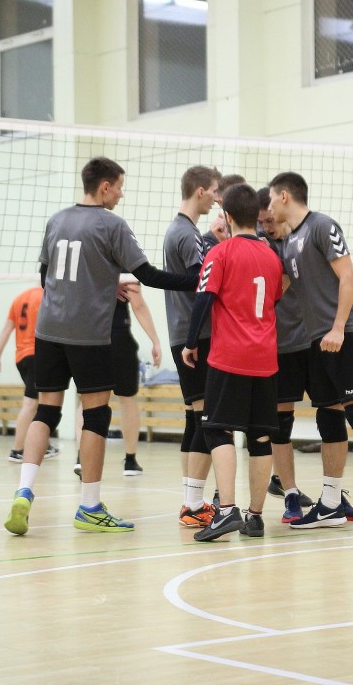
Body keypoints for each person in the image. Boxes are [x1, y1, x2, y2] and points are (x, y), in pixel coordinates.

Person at [3, 156, 195, 536]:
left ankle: (23, 490)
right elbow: (147, 275)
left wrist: (104, 284)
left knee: (46, 410)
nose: (121, 194)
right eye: (120, 187)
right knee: (95, 415)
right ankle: (89, 507)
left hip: (48, 331)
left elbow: (46, 277)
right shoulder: (111, 224)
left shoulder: (57, 220)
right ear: (105, 186)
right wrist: (198, 280)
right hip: (88, 334)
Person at [268, 172, 353, 536]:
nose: (267, 209)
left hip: (347, 334)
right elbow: (279, 288)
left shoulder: (322, 226)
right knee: (328, 418)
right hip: (318, 341)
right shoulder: (290, 242)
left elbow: (348, 277)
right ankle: (330, 503)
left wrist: (338, 327)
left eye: (270, 199)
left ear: (284, 197)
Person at [182, 183, 283, 541]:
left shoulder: (221, 252)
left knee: (215, 429)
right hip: (265, 357)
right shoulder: (272, 257)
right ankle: (255, 518)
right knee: (260, 436)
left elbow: (203, 299)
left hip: (230, 356)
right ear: (256, 215)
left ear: (226, 216)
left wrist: (190, 343)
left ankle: (226, 511)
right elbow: (275, 298)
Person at [255, 187, 349, 524]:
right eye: (261, 222)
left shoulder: (305, 239)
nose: (267, 227)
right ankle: (290, 492)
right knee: (281, 425)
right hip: (280, 348)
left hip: (314, 341)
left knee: (332, 415)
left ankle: (333, 495)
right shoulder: (262, 249)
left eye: (270, 220)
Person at [163, 165, 221, 529]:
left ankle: (190, 499)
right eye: (214, 191)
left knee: (195, 417)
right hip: (195, 337)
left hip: (184, 333)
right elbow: (204, 286)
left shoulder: (181, 231)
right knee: (207, 418)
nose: (216, 198)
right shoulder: (186, 234)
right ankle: (193, 504)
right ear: (200, 191)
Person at [73, 281, 162, 476]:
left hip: (89, 338)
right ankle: (130, 461)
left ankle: (82, 457)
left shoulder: (86, 268)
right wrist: (155, 341)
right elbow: (138, 305)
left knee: (87, 401)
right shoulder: (126, 268)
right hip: (118, 338)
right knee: (127, 400)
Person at [0, 286, 60, 463]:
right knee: (31, 403)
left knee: (42, 403)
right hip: (37, 355)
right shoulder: (47, 296)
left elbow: (7, 329)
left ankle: (43, 445)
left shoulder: (20, 298)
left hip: (21, 358)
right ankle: (17, 449)